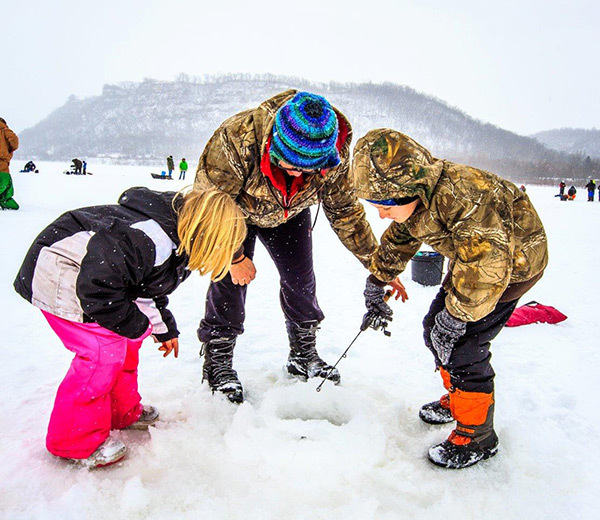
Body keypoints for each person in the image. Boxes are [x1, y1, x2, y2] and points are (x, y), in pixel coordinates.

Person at [352, 129, 548, 469]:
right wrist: (376, 281)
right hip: (471, 261)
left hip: (511, 269)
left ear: (408, 190)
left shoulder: (467, 198)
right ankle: (461, 397)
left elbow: (487, 267)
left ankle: (478, 434)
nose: (381, 214)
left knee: (464, 347)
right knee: (435, 328)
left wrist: (457, 317)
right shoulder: (415, 199)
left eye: (384, 206)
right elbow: (400, 239)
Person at [14, 188, 246, 468]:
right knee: (103, 351)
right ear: (208, 237)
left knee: (127, 341)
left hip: (98, 281)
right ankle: (73, 441)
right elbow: (98, 292)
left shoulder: (175, 239)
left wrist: (163, 330)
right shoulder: (149, 239)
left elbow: (146, 288)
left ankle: (121, 411)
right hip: (60, 272)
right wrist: (137, 326)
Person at [194, 90, 381, 403]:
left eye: (308, 170)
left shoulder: (331, 152)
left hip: (289, 214)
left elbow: (345, 210)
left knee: (301, 280)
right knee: (229, 281)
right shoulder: (235, 141)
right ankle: (218, 361)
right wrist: (234, 256)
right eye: (291, 166)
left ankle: (303, 354)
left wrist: (377, 262)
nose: (298, 174)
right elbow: (207, 206)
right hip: (233, 214)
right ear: (273, 144)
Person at [0, 117, 20, 210]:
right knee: (4, 184)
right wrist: (9, 149)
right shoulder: (4, 130)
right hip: (1, 162)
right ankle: (5, 202)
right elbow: (14, 142)